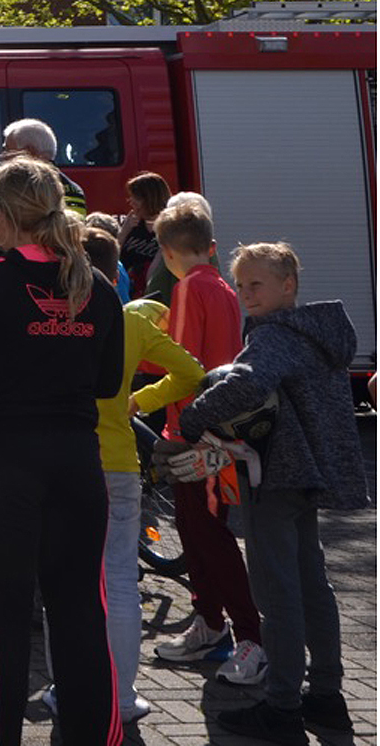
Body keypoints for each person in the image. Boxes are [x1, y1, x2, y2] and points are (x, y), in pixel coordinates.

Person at [0, 158, 123, 746]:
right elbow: (110, 381)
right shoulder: (98, 286)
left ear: (1, 217)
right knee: (82, 612)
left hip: (1, 461)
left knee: (1, 620)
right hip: (77, 461)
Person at [178, 243, 366, 744]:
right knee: (313, 586)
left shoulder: (275, 336)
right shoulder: (321, 334)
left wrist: (194, 419)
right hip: (310, 476)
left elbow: (245, 384)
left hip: (275, 475)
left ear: (289, 286)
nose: (245, 294)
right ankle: (327, 697)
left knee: (277, 594)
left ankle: (282, 707)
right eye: (241, 285)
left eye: (256, 284)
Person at [41, 228, 205, 724]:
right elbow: (192, 372)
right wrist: (142, 400)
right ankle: (122, 696)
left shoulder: (48, 312)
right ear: (116, 273)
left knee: (64, 582)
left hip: (63, 459)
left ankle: (65, 689)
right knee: (119, 582)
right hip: (117, 462)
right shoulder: (127, 318)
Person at [129, 199, 263, 681]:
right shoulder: (225, 289)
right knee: (198, 529)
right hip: (217, 426)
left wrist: (138, 393)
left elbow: (182, 366)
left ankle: (248, 634)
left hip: (195, 431)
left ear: (164, 252)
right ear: (210, 246)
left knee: (208, 534)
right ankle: (209, 624)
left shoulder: (188, 291)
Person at [0, 118, 87, 215]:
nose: (4, 157)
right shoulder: (74, 189)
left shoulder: (19, 189)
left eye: (7, 150)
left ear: (28, 152)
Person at [116, 171, 169, 293]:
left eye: (136, 198)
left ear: (150, 199)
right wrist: (124, 231)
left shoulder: (169, 227)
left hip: (155, 292)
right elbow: (111, 257)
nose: (131, 201)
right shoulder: (131, 224)